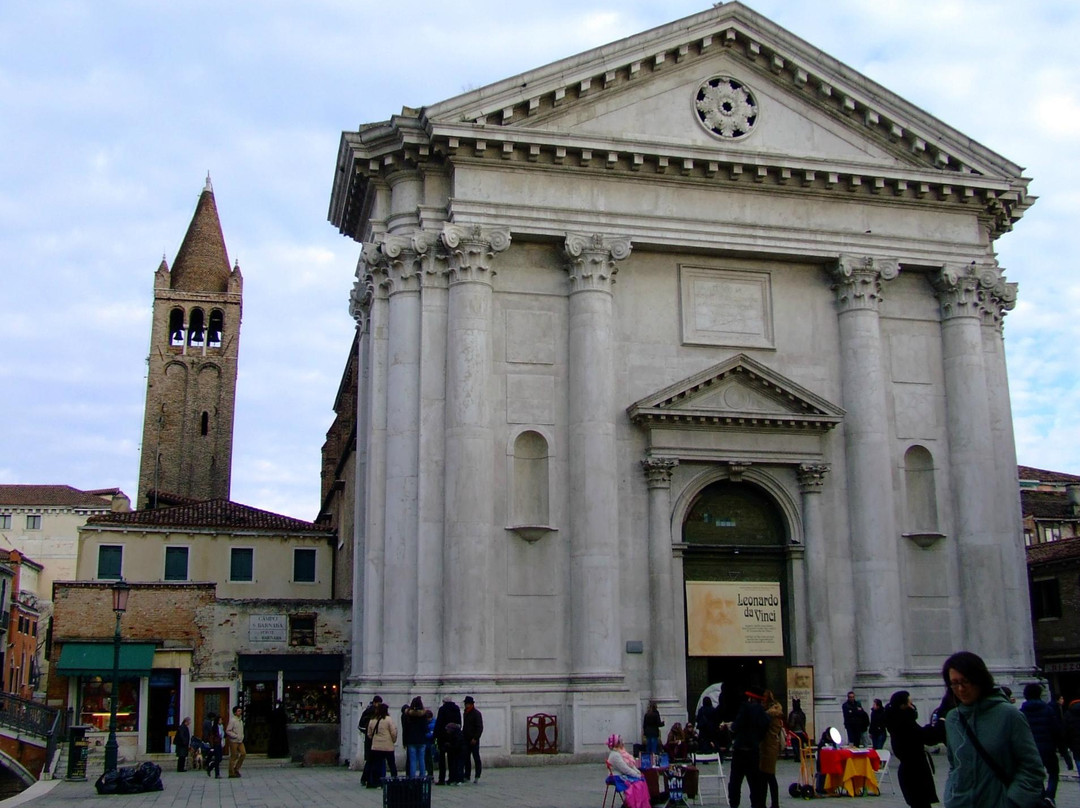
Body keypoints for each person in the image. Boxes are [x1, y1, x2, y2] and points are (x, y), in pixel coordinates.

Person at [941, 651, 1045, 807]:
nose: (960, 689)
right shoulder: (952, 719)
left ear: (980, 679)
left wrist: (1012, 802)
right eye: (954, 683)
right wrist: (951, 796)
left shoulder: (1009, 715)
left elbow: (1032, 768)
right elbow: (955, 765)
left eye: (965, 681)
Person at [884, 690, 939, 808]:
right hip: (915, 772)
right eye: (909, 703)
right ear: (902, 705)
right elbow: (926, 737)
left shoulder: (896, 721)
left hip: (911, 770)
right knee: (921, 803)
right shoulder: (905, 723)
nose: (912, 706)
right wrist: (937, 726)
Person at [1020, 682, 1071, 802]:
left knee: (1036, 775)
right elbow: (1057, 732)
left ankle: (1042, 796)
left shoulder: (1021, 712)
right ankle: (1050, 795)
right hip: (1048, 748)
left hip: (1030, 750)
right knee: (1053, 772)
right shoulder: (1048, 710)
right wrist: (1065, 753)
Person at [725, 689, 769, 808]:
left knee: (735, 781)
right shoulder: (762, 712)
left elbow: (736, 726)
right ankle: (755, 804)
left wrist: (731, 727)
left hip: (740, 750)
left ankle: (734, 804)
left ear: (750, 699)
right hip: (753, 751)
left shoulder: (745, 708)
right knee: (754, 782)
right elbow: (765, 726)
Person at [606, 733, 651, 808]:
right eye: (621, 741)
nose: (623, 743)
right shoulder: (615, 755)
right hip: (616, 777)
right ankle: (634, 804)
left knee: (641, 780)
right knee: (637, 783)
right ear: (617, 744)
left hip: (621, 774)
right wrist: (637, 775)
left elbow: (630, 765)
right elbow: (625, 769)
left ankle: (641, 804)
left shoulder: (620, 753)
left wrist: (638, 772)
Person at [758, 690, 784, 808]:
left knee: (768, 775)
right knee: (766, 776)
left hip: (769, 746)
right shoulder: (774, 714)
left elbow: (765, 728)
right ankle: (768, 803)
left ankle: (773, 803)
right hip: (769, 746)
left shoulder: (769, 715)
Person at [365, 701, 398, 788]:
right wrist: (393, 740)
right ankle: (395, 781)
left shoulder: (372, 720)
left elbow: (369, 734)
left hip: (376, 747)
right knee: (392, 764)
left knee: (376, 765)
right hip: (388, 746)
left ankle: (376, 782)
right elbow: (393, 732)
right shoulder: (388, 719)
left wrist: (375, 739)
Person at [434, 696, 462, 785]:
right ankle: (452, 778)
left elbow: (439, 723)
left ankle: (441, 779)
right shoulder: (456, 709)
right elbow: (459, 723)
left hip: (443, 737)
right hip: (453, 738)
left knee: (442, 760)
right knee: (452, 758)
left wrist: (436, 735)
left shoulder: (442, 709)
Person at [402, 696, 431, 779]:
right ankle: (422, 777)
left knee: (413, 761)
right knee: (422, 760)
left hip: (411, 740)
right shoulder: (423, 715)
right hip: (421, 740)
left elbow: (405, 729)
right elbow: (426, 728)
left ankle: (412, 777)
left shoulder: (408, 715)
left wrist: (405, 741)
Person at [359, 695, 383, 786]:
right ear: (375, 703)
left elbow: (361, 726)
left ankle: (366, 778)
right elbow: (362, 726)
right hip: (372, 738)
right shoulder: (372, 712)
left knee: (370, 760)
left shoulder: (367, 711)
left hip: (369, 738)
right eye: (378, 703)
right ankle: (368, 778)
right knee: (371, 760)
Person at [462, 695, 484, 783]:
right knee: (466, 758)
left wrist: (475, 738)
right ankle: (467, 775)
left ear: (470, 704)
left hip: (474, 739)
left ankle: (477, 775)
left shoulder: (476, 713)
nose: (465, 705)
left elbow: (480, 727)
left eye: (466, 704)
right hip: (466, 738)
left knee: (476, 757)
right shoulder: (465, 713)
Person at [226, 705, 246, 778]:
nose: (240, 712)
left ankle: (236, 769)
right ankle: (231, 772)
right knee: (234, 756)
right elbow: (228, 730)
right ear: (235, 712)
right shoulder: (232, 720)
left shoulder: (240, 720)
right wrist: (235, 736)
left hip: (240, 741)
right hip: (234, 741)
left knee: (243, 754)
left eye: (240, 711)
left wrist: (241, 736)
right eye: (238, 711)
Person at [203, 712, 223, 779]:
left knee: (220, 758)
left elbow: (223, 735)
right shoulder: (214, 727)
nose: (221, 721)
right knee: (217, 759)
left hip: (220, 744)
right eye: (220, 720)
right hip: (215, 744)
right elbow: (212, 736)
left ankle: (210, 767)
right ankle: (217, 774)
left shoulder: (221, 727)